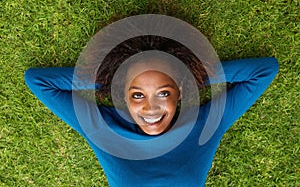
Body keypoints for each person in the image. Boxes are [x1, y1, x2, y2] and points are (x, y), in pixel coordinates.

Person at [24, 35, 279, 186]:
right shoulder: (102, 128)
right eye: (137, 94)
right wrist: (112, 81)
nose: (151, 108)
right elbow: (37, 81)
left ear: (178, 91)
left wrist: (191, 77)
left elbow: (265, 70)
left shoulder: (205, 125)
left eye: (164, 92)